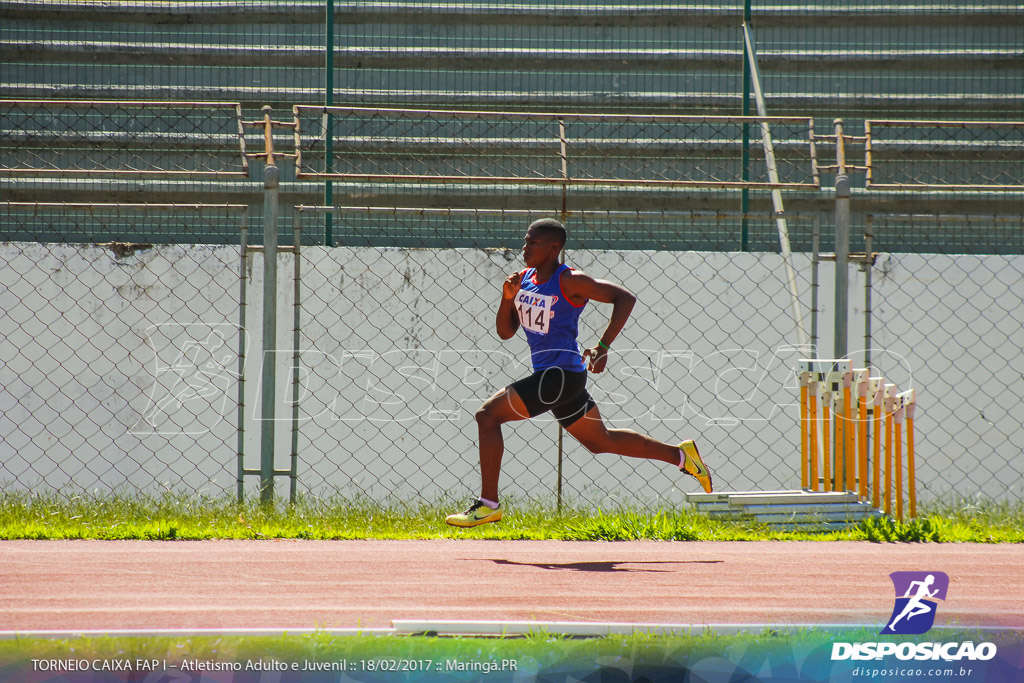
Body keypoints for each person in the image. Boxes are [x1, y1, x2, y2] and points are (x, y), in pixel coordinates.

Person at [446, 218, 713, 528]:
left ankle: (488, 505)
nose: (524, 247)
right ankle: (682, 457)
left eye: (532, 242)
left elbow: (624, 298)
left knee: (487, 415)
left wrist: (603, 346)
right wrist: (508, 297)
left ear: (553, 247)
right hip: (557, 378)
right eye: (526, 241)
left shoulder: (570, 280)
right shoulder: (524, 280)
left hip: (561, 377)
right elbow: (506, 332)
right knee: (601, 441)